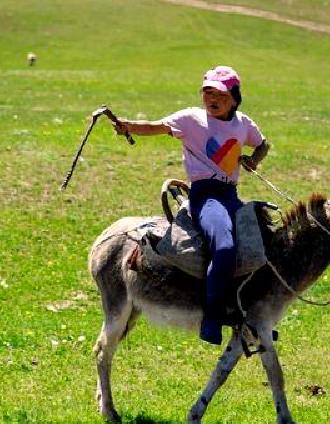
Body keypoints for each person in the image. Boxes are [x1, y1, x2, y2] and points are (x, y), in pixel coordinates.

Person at [113, 66, 270, 345]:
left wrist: (253, 160)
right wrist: (127, 126)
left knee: (264, 245)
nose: (211, 98)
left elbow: (263, 143)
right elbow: (156, 126)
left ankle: (247, 310)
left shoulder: (243, 123)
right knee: (223, 248)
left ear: (234, 97)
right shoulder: (190, 120)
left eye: (218, 93)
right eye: (206, 91)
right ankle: (212, 318)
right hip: (206, 197)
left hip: (230, 196)